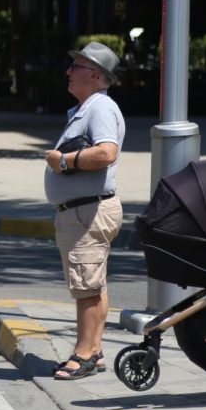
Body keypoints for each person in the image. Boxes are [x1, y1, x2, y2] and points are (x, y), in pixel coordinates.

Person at [44, 41, 125, 380]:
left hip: (87, 211)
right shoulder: (89, 107)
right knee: (92, 283)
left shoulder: (100, 107)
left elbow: (106, 153)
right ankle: (95, 349)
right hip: (83, 210)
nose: (68, 72)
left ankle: (84, 354)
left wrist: (64, 161)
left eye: (75, 66)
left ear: (94, 74)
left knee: (86, 286)